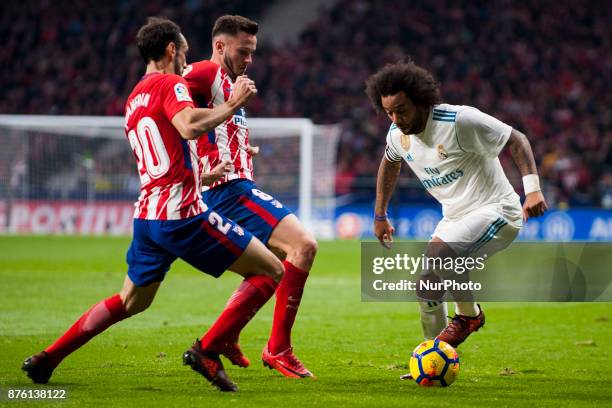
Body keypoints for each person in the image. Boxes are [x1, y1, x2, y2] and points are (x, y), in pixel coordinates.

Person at [21, 17, 285, 392]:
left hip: (147, 216)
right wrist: (233, 105)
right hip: (182, 216)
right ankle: (208, 350)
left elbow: (160, 156)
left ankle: (48, 358)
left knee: (131, 301)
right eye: (184, 54)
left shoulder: (133, 98)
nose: (185, 64)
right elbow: (190, 125)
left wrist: (202, 176)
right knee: (270, 269)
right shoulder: (169, 83)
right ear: (170, 50)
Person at [365, 61, 548, 349]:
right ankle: (433, 353)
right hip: (454, 217)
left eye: (402, 109)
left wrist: (533, 191)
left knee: (438, 254)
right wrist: (379, 214)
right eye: (389, 112)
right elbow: (389, 162)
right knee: (427, 284)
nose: (396, 118)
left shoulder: (459, 120)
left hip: (497, 210)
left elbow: (517, 140)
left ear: (420, 101)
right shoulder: (397, 135)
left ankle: (468, 316)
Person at [182, 15, 317, 378]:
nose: (249, 59)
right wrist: (192, 166)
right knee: (304, 247)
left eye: (253, 53)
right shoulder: (202, 73)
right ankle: (278, 349)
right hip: (227, 191)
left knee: (267, 267)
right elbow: (171, 111)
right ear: (221, 45)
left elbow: (211, 132)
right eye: (244, 51)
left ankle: (227, 336)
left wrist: (243, 149)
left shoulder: (229, 83)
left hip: (232, 185)